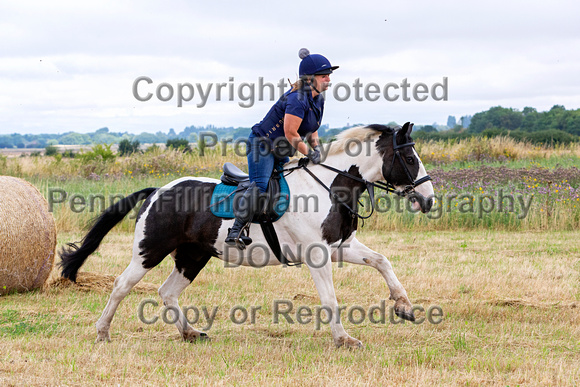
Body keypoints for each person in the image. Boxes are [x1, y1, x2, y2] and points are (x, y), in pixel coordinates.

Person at [225, 48, 339, 248]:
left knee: (288, 183)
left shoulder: (318, 98)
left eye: (329, 75)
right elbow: (291, 133)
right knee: (260, 187)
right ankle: (235, 230)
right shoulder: (297, 100)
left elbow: (312, 128)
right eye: (324, 75)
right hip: (262, 145)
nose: (329, 78)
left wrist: (317, 148)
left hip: (281, 150)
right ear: (310, 78)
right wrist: (310, 154)